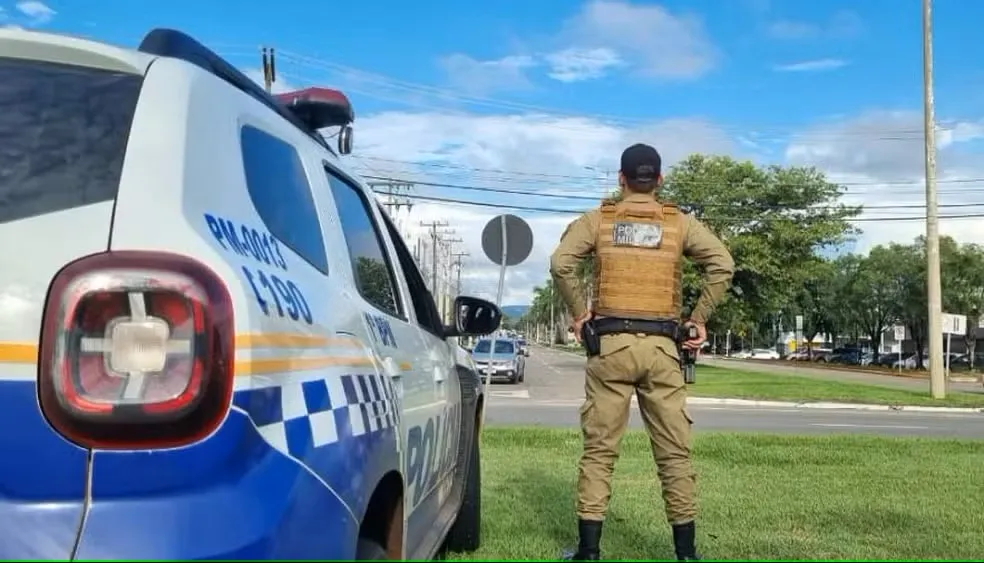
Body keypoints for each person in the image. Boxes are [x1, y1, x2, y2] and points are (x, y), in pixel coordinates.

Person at [549, 143, 735, 561]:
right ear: (660, 180)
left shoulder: (600, 220)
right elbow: (722, 264)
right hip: (662, 350)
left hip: (609, 347)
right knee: (673, 452)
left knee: (599, 452)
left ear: (621, 179)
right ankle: (686, 555)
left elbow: (562, 263)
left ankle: (589, 552)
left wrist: (580, 315)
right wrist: (698, 318)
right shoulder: (679, 224)